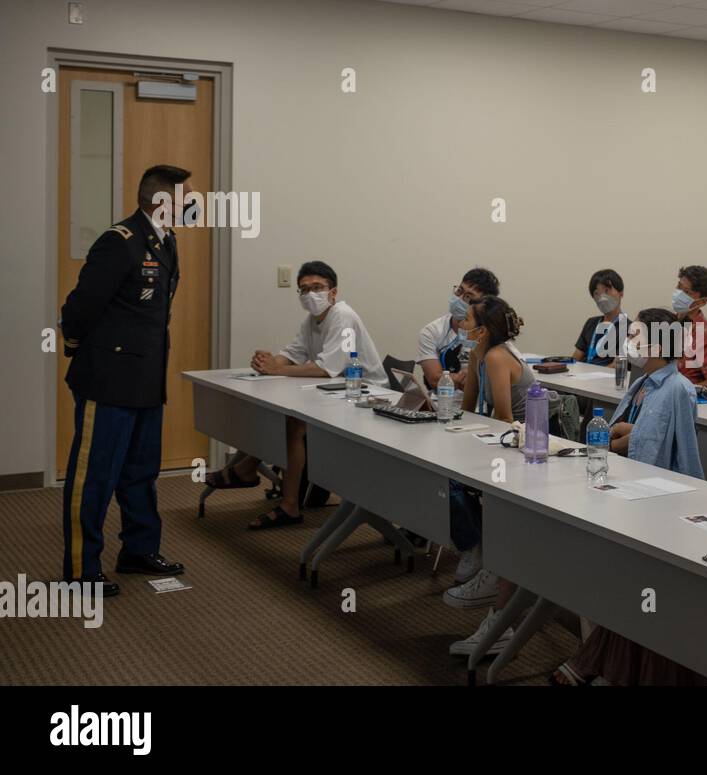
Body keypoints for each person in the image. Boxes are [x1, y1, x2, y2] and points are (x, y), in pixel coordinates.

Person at [552, 309, 707, 686]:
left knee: (625, 586)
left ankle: (600, 664)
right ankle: (602, 664)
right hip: (623, 490)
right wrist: (622, 435)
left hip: (656, 504)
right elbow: (614, 436)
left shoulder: (678, 390)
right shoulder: (641, 385)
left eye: (636, 335)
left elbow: (681, 457)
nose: (629, 342)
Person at [60, 164, 192, 595]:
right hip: (109, 379)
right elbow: (80, 306)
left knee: (140, 472)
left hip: (146, 380)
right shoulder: (120, 243)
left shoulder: (167, 241)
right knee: (95, 476)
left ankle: (138, 550)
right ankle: (82, 571)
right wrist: (77, 346)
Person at [205, 260, 385, 530]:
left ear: (333, 292)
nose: (311, 294)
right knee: (273, 411)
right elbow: (292, 353)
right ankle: (247, 469)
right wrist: (268, 363)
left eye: (318, 288)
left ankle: (287, 504)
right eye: (304, 289)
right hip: (336, 393)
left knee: (294, 424)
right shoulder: (311, 320)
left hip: (364, 397)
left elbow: (327, 369)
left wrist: (277, 368)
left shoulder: (343, 317)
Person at [444, 296, 541, 658]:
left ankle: (493, 573)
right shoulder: (480, 355)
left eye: (467, 320)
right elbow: (469, 409)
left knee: (464, 486)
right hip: (501, 445)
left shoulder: (499, 357)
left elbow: (502, 416)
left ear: (483, 330)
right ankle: (490, 567)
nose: (461, 325)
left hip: (523, 452)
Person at [417, 267, 497, 390]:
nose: (459, 299)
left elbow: (495, 381)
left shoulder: (492, 333)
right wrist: (471, 379)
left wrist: (452, 379)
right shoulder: (431, 331)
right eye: (459, 291)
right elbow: (434, 380)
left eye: (468, 297)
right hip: (442, 401)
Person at [673, 265, 707, 388]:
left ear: (702, 302)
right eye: (678, 287)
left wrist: (679, 392)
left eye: (686, 292)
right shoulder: (665, 322)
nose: (679, 294)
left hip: (686, 400)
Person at [571, 268, 628, 366]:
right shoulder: (591, 323)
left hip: (605, 379)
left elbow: (617, 366)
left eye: (607, 291)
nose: (602, 298)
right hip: (581, 377)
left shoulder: (629, 328)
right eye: (597, 293)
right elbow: (576, 357)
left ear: (621, 293)